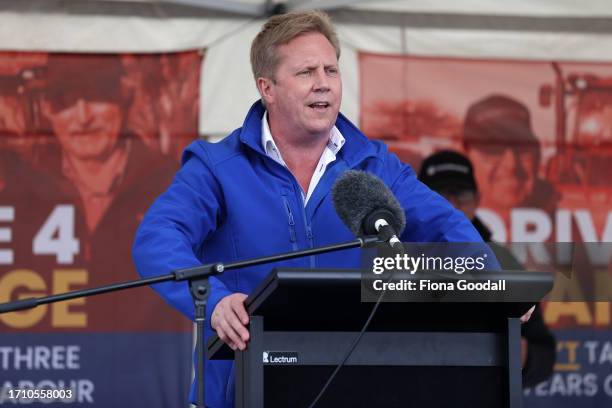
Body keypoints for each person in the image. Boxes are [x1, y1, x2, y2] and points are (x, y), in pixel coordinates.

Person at [132, 11, 504, 408]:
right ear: (267, 88)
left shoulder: (374, 164)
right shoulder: (216, 167)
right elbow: (158, 239)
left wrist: (496, 287)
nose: (323, 83)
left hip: (352, 388)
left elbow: (448, 227)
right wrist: (216, 300)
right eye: (306, 72)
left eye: (331, 69)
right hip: (239, 390)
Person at [418, 150, 556, 387]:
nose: (451, 205)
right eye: (439, 194)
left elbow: (543, 352)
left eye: (461, 194)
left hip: (480, 393)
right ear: (416, 198)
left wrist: (523, 356)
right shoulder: (389, 259)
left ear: (478, 199)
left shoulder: (504, 263)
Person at [462, 94, 558, 224]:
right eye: (493, 150)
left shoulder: (572, 233)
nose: (511, 164)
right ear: (465, 157)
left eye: (522, 149)